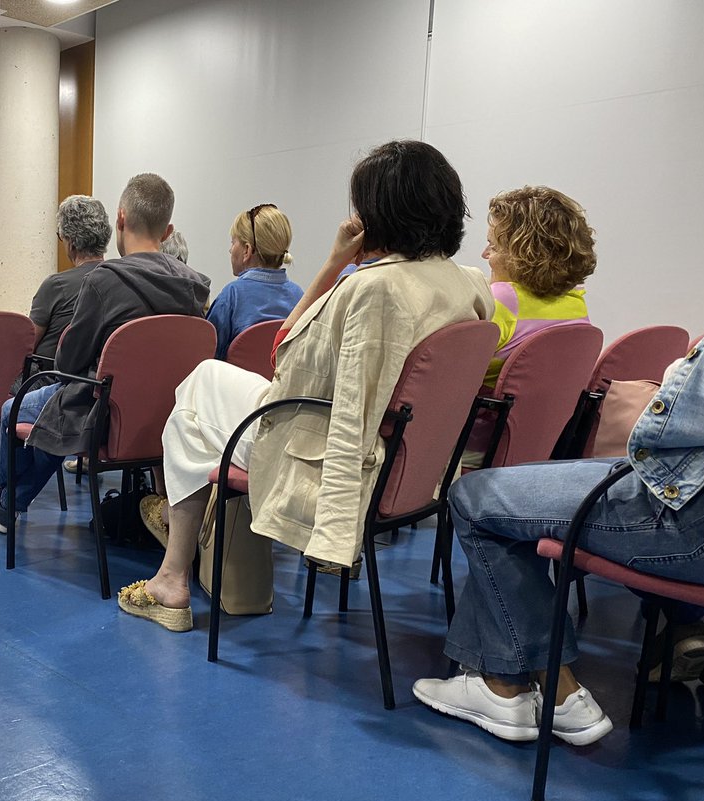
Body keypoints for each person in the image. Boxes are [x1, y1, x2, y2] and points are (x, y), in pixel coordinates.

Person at [117, 140, 492, 632]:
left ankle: (171, 576)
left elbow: (285, 352)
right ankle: (185, 553)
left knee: (190, 405)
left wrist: (336, 263)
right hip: (416, 465)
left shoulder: (371, 288)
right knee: (201, 393)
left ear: (378, 215)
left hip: (319, 446)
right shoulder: (468, 282)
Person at [413, 311, 704, 746]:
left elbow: (685, 401)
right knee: (516, 498)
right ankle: (516, 686)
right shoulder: (573, 316)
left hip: (703, 516)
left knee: (474, 496)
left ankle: (533, 690)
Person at [0, 173, 210, 532]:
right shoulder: (195, 287)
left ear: (120, 219)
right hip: (167, 415)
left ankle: (3, 499)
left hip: (104, 413)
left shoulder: (105, 281)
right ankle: (1, 496)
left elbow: (67, 364)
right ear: (167, 232)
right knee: (51, 408)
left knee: (12, 408)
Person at [0, 196, 112, 475]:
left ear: (70, 242)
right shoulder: (118, 281)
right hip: (100, 387)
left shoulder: (57, 285)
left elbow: (26, 344)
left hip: (51, 380)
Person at [479, 186, 595, 388]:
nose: (485, 254)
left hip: (481, 418)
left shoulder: (501, 301)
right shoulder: (577, 304)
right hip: (547, 420)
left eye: (494, 246)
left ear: (523, 256)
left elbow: (448, 372)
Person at [207, 204, 305, 360]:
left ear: (247, 250)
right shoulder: (300, 297)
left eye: (233, 242)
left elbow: (206, 357)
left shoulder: (232, 296)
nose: (230, 250)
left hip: (238, 384)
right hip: (283, 383)